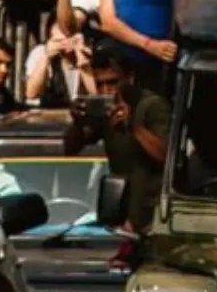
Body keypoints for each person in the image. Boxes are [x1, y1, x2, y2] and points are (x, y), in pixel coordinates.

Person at [66, 45, 170, 242]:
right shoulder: (106, 108)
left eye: (113, 82)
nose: (107, 90)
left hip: (153, 214)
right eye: (100, 84)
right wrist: (78, 122)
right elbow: (71, 148)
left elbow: (165, 156)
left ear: (129, 77)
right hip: (121, 212)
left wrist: (134, 128)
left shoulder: (152, 106)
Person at [24, 23, 96, 108]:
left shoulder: (87, 52)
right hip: (48, 113)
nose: (65, 40)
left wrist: (82, 60)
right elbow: (31, 94)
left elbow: (96, 95)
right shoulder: (41, 52)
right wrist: (46, 56)